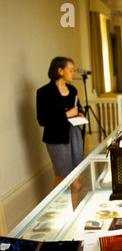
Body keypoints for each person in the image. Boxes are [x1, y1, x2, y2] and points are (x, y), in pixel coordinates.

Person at [37, 57, 85, 188]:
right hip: (56, 138)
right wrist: (66, 114)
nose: (73, 73)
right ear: (60, 70)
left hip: (74, 134)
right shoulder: (43, 92)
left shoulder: (73, 90)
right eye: (70, 70)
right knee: (63, 176)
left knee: (78, 174)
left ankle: (76, 207)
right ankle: (62, 207)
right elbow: (42, 120)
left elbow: (78, 108)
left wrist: (80, 114)